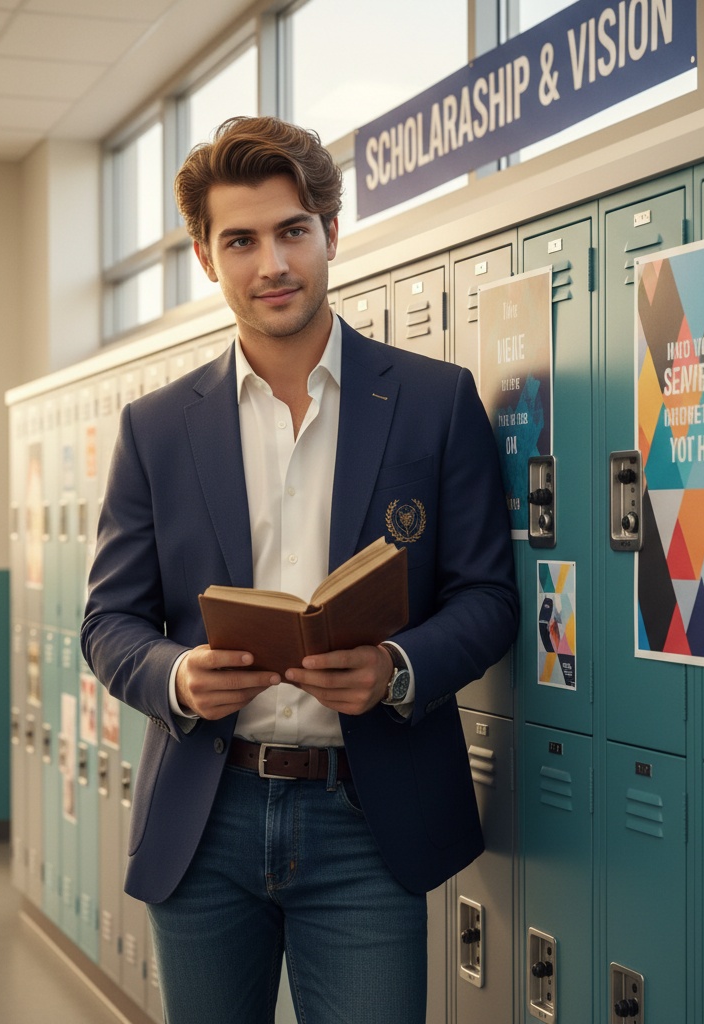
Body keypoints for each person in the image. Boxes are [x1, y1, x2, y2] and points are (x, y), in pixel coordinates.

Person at [81, 115, 518, 1024]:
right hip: (207, 814)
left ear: (329, 231)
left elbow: (487, 598)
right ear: (208, 256)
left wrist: (398, 670)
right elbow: (108, 622)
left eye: (292, 231)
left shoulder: (435, 403)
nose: (271, 264)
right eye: (240, 240)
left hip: (367, 816)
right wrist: (177, 674)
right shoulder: (156, 428)